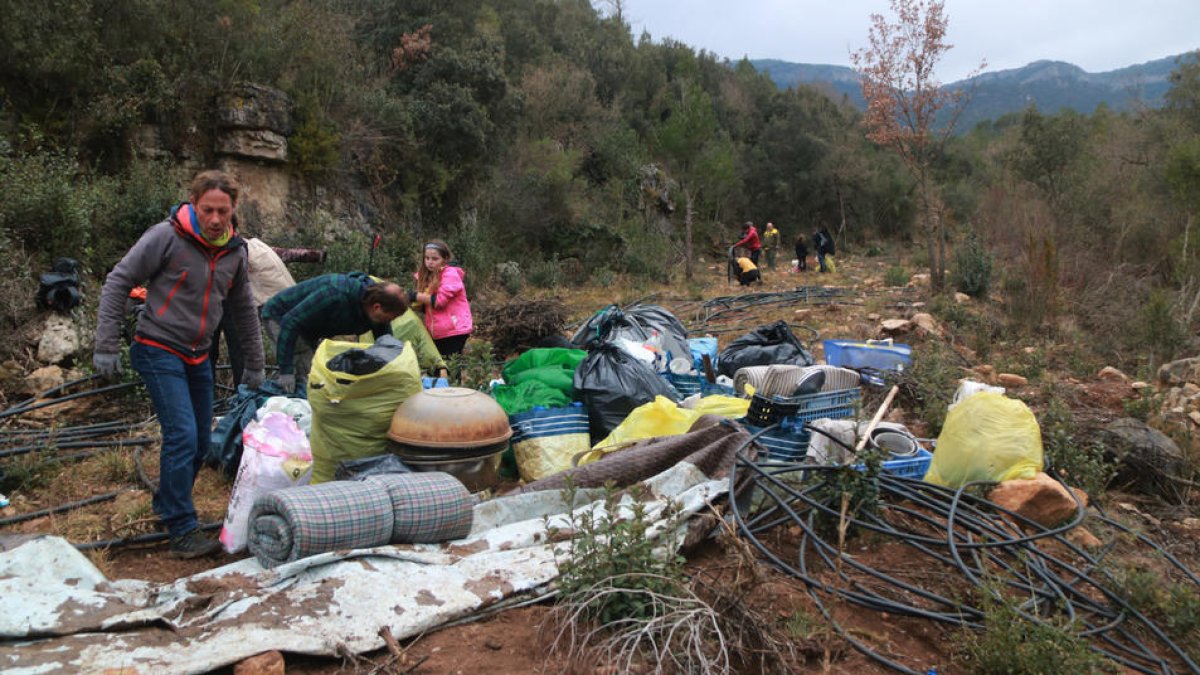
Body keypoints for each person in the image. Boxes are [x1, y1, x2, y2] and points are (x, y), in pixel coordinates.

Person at [93, 170, 265, 559]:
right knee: (183, 435)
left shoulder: (235, 252)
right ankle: (181, 525)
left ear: (234, 208)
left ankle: (169, 508)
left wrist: (255, 363)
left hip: (198, 354)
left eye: (223, 210)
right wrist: (105, 344)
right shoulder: (165, 237)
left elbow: (242, 310)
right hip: (157, 347)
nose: (216, 219)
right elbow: (119, 280)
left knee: (203, 441)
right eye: (208, 209)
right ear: (194, 203)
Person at [261, 273, 408, 394]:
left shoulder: (376, 311)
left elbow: (385, 343)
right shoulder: (334, 293)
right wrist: (286, 370)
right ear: (377, 307)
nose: (389, 321)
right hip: (281, 317)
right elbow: (290, 322)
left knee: (314, 374)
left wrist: (393, 371)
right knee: (304, 381)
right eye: (391, 318)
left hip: (309, 328)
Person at [208, 237, 297, 387]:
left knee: (234, 352)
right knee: (227, 352)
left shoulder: (241, 251)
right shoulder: (253, 248)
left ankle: (240, 396)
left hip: (229, 298)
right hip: (222, 297)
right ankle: (240, 396)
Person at [410, 240, 473, 358]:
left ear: (445, 259)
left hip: (454, 329)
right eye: (427, 258)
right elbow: (428, 306)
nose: (430, 262)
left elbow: (440, 301)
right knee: (439, 367)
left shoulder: (450, 275)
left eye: (435, 259)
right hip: (438, 331)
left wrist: (415, 296)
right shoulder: (427, 276)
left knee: (449, 366)